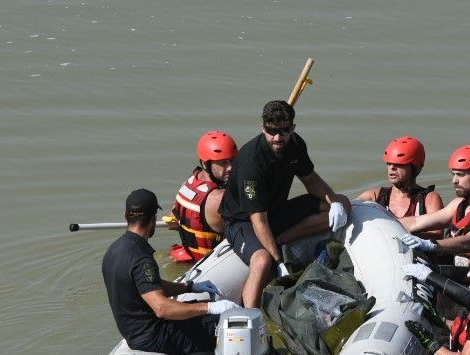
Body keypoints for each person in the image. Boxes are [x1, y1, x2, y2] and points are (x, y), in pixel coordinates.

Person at [218, 100, 351, 308]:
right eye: (272, 131)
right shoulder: (252, 162)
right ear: (263, 128)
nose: (278, 137)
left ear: (293, 128)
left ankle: (279, 239)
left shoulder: (296, 145)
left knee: (343, 203)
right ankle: (251, 316)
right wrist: (279, 262)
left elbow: (311, 180)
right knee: (263, 260)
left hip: (276, 212)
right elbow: (258, 220)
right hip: (244, 221)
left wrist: (333, 202)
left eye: (284, 131)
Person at [102, 188, 240, 355]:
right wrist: (210, 307)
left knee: (197, 310)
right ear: (153, 218)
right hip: (154, 336)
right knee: (228, 326)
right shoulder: (141, 259)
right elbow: (162, 308)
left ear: (126, 216)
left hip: (133, 332)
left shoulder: (114, 250)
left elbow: (149, 287)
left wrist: (189, 287)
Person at [166, 130, 237, 263]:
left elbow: (171, 222)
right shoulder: (220, 198)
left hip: (192, 258)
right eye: (222, 163)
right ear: (205, 164)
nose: (230, 168)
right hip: (214, 264)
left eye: (232, 160)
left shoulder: (189, 183)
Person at [356, 136, 443, 225]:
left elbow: (436, 234)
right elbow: (349, 207)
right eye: (389, 163)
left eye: (399, 164)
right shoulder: (374, 196)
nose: (392, 168)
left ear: (415, 167)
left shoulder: (429, 199)